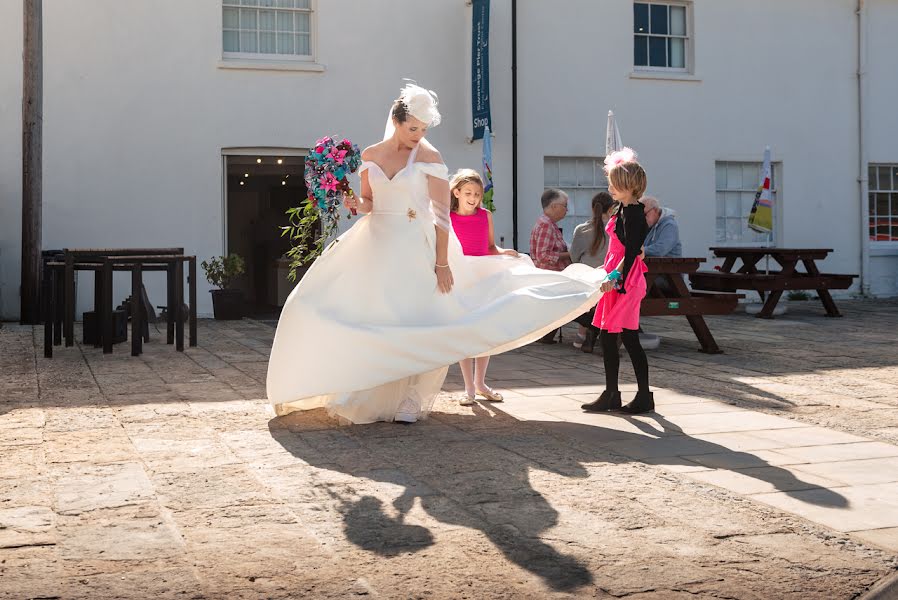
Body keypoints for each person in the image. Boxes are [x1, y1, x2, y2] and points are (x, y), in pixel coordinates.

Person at [266, 82, 605, 425]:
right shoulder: (370, 155)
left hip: (417, 247)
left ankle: (412, 397)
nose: (418, 135)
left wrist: (442, 262)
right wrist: (355, 202)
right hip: (375, 246)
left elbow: (442, 216)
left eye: (424, 129)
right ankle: (367, 385)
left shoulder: (430, 159)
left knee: (421, 318)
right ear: (396, 121)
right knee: (366, 314)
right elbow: (370, 202)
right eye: (413, 128)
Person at [581, 148, 654, 415]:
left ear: (628, 185)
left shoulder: (634, 213)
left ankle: (644, 396)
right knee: (608, 337)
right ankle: (611, 393)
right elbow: (620, 247)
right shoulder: (621, 209)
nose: (610, 187)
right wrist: (607, 271)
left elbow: (633, 251)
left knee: (629, 337)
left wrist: (614, 275)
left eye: (614, 182)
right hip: (616, 276)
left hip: (627, 279)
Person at [449, 168, 519, 405]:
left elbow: (489, 246)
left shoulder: (485, 215)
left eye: (477, 194)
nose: (473, 198)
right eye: (468, 192)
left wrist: (504, 252)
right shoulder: (447, 218)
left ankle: (481, 383)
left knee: (485, 330)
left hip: (485, 277)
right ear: (456, 192)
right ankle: (468, 387)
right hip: (462, 278)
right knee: (466, 331)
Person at [570, 192, 616, 350]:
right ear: (611, 209)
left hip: (586, 282)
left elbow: (574, 257)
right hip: (609, 280)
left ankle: (585, 333)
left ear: (592, 208)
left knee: (580, 302)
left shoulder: (581, 230)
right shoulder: (616, 230)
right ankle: (595, 331)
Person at [529, 189, 572, 343]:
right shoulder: (546, 225)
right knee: (571, 303)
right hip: (551, 278)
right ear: (554, 206)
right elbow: (543, 255)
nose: (567, 210)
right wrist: (570, 254)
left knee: (560, 308)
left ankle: (546, 336)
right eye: (565, 206)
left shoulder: (549, 224)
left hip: (552, 277)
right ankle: (591, 329)